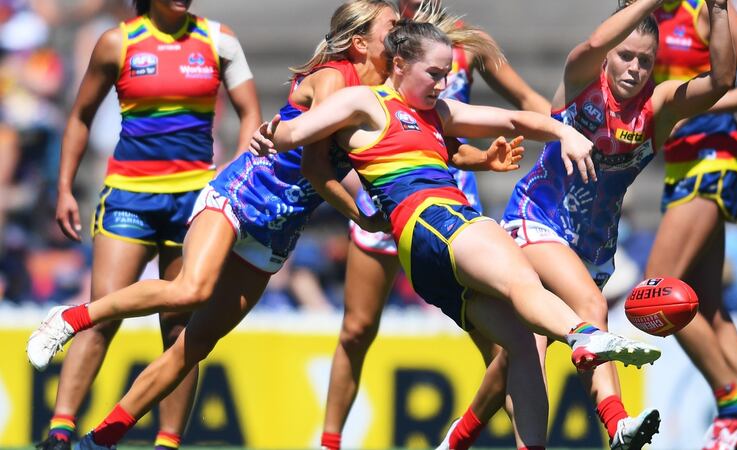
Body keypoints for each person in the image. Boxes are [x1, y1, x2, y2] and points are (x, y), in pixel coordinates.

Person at [23, 2, 484, 448]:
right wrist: (359, 212)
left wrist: (485, 157)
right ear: (361, 43)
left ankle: (100, 440)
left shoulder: (387, 94)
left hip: (278, 229)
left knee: (195, 345)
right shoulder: (333, 80)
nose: (400, 30)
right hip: (240, 197)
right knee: (191, 290)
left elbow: (430, 141)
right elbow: (315, 168)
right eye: (390, 27)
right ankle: (69, 318)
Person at [251, 14, 662, 447]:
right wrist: (270, 134)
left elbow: (513, 122)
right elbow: (297, 130)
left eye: (447, 75)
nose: (442, 84)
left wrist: (564, 132)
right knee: (521, 278)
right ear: (398, 66)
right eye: (433, 74)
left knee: (520, 346)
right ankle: (584, 336)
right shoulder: (366, 102)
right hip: (435, 218)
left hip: (424, 259)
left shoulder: (437, 112)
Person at [432, 0, 737, 448]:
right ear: (610, 54)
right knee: (591, 307)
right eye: (625, 56)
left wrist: (720, 9)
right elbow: (595, 42)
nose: (634, 68)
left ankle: (458, 440)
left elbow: (723, 81)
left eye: (645, 61)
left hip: (592, 249)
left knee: (522, 358)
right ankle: (617, 424)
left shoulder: (659, 106)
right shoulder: (580, 80)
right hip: (536, 221)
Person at [309, 1, 552, 448]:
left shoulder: (464, 40)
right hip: (393, 198)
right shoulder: (386, 39)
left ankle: (467, 438)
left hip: (454, 202)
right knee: (358, 329)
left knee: (504, 348)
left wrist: (567, 133)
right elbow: (365, 119)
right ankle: (330, 441)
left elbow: (523, 106)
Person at [33, 1, 261, 450]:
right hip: (129, 195)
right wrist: (64, 189)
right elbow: (80, 116)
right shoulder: (117, 42)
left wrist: (237, 169)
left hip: (196, 201)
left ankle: (167, 442)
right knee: (104, 312)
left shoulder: (219, 39)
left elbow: (250, 113)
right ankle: (61, 432)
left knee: (180, 327)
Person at [646, 0, 737, 447]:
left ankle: (733, 409)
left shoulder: (705, 9)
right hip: (677, 168)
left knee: (657, 292)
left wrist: (694, 109)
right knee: (708, 310)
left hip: (715, 157)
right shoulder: (641, 14)